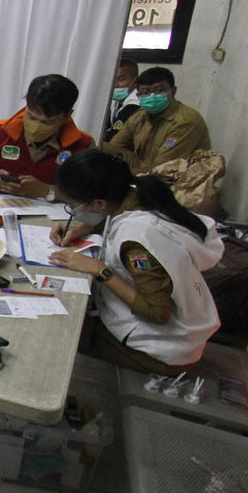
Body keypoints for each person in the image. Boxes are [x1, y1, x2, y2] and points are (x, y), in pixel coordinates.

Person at [47, 149, 224, 376]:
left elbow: (157, 313)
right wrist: (84, 226)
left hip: (160, 351)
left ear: (99, 203)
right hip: (186, 334)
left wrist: (100, 270)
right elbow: (117, 217)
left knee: (61, 331)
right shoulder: (139, 194)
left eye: (73, 206)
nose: (72, 212)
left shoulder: (137, 243)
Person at [0, 74, 94, 199]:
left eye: (47, 122)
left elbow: (91, 196)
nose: (36, 126)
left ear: (67, 116)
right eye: (31, 117)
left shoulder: (83, 145)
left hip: (52, 219)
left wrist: (48, 191)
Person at [103, 66, 211, 172]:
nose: (152, 96)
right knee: (100, 149)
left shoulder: (186, 121)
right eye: (146, 92)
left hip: (175, 176)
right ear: (138, 95)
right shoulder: (139, 117)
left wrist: (118, 176)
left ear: (173, 92)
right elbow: (114, 147)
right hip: (143, 165)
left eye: (159, 91)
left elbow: (162, 169)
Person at [105, 57, 140, 143]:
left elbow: (114, 135)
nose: (115, 85)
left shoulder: (135, 104)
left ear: (135, 81)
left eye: (121, 79)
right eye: (112, 79)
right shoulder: (115, 100)